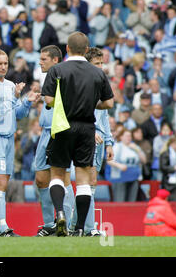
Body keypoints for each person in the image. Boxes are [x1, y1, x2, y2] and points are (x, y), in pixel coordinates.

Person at [41, 32, 114, 237]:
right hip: (86, 129)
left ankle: (61, 213)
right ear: (86, 49)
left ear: (67, 48)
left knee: (57, 174)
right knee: (83, 179)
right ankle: (80, 228)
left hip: (63, 126)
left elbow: (47, 99)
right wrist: (91, 103)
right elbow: (109, 103)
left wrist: (63, 104)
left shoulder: (57, 69)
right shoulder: (97, 73)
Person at [0, 49, 39, 237]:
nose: (3, 67)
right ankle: (3, 228)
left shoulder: (9, 85)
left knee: (3, 184)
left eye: (6, 63)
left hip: (9, 138)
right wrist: (15, 97)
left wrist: (27, 102)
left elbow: (18, 114)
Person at [70, 47, 114, 236]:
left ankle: (76, 224)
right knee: (89, 181)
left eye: (102, 63)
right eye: (97, 64)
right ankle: (88, 227)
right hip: (89, 136)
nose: (100, 67)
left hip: (101, 140)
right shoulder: (83, 85)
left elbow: (104, 116)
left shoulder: (100, 82)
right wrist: (93, 130)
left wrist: (110, 141)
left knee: (91, 182)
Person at [34, 45, 76, 237]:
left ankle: (66, 223)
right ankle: (50, 224)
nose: (40, 62)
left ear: (55, 60)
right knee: (41, 179)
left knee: (63, 178)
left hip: (60, 132)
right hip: (45, 134)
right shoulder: (47, 78)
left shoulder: (66, 77)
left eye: (44, 59)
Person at [106, 129, 146, 202]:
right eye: (127, 136)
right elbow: (109, 160)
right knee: (120, 200)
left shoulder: (134, 146)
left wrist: (137, 150)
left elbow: (144, 160)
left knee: (132, 201)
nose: (129, 138)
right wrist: (119, 166)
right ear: (121, 137)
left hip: (133, 177)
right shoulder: (117, 146)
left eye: (130, 136)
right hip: (120, 178)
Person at [159, 136, 176, 201]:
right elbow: (163, 167)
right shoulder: (165, 154)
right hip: (169, 183)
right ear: (171, 144)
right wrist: (173, 168)